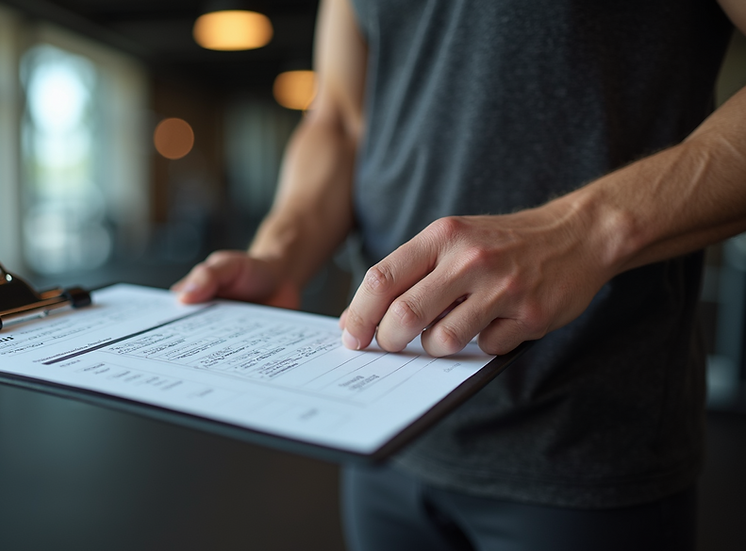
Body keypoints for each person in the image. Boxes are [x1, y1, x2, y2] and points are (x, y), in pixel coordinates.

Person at [173, 0, 746, 549]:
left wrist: (581, 230)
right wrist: (281, 252)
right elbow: (341, 120)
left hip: (586, 434)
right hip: (380, 415)